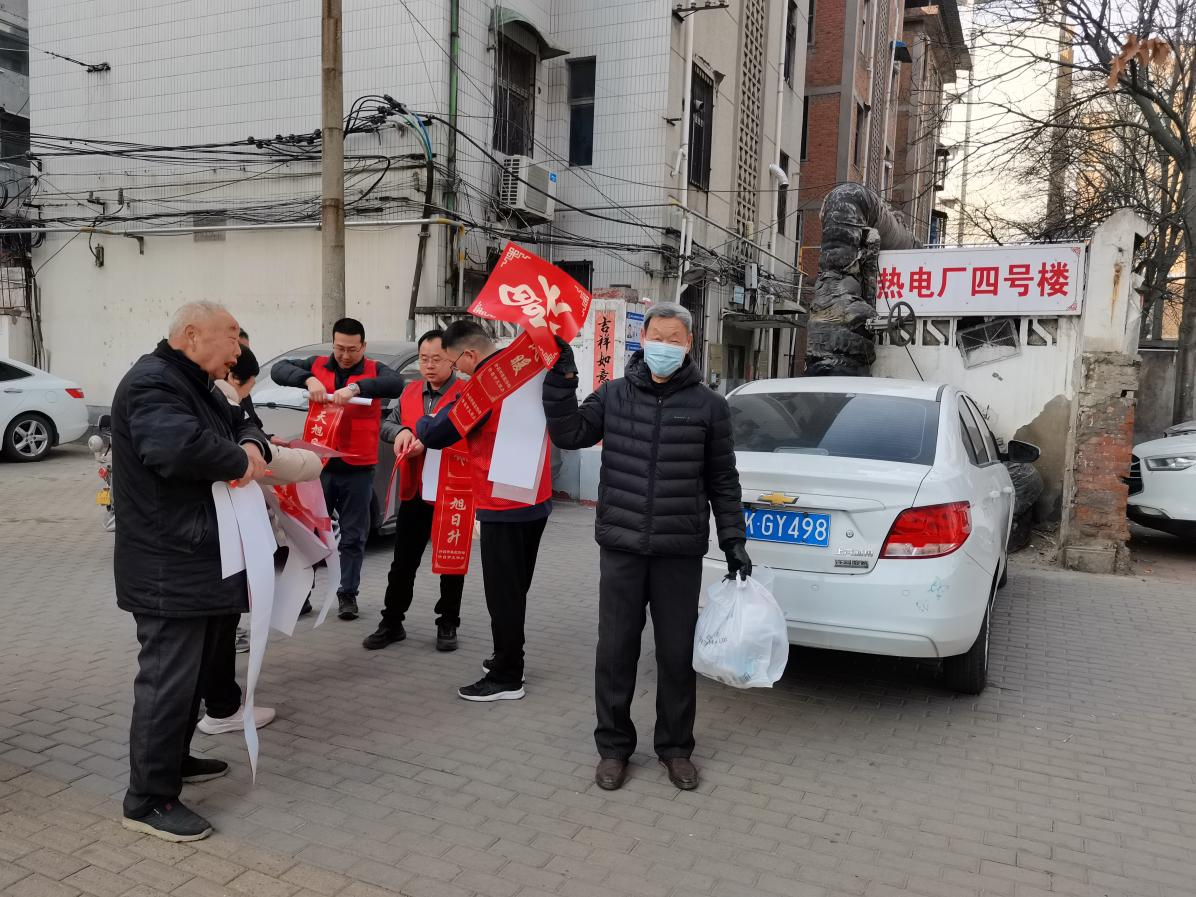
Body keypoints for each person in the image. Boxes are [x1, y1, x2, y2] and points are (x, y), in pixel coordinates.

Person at [541, 302, 751, 793]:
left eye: (674, 339)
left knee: (676, 654)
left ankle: (675, 748)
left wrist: (734, 540)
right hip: (623, 545)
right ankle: (614, 748)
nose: (664, 347)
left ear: (688, 344)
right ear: (643, 340)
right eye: (657, 337)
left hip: (679, 550)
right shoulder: (613, 396)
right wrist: (562, 378)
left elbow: (723, 480)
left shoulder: (709, 406)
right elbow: (569, 432)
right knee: (616, 652)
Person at [112, 300, 271, 842]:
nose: (239, 351)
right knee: (167, 681)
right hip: (169, 562)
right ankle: (148, 799)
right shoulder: (152, 383)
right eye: (231, 336)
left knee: (192, 677)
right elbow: (175, 448)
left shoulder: (200, 384)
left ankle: (174, 762)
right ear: (191, 334)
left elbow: (245, 420)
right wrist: (240, 460)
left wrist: (248, 443)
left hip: (202, 557)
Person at [415, 321, 552, 701]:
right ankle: (505, 657)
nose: (455, 369)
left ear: (470, 354)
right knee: (515, 588)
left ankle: (508, 676)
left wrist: (424, 420)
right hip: (535, 497)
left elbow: (437, 433)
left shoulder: (485, 385)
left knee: (503, 594)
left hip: (501, 504)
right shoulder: (526, 370)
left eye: (453, 362)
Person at [196, 345, 322, 736]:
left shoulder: (190, 396)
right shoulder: (216, 401)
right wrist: (311, 461)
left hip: (191, 541)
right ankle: (221, 709)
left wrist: (259, 441)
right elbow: (262, 463)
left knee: (203, 631)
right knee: (216, 626)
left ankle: (208, 702)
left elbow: (250, 435)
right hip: (215, 539)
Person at [270, 318, 404, 620]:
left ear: (363, 347)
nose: (345, 355)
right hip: (319, 466)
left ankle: (347, 594)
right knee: (308, 533)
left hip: (358, 466)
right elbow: (279, 370)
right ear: (333, 344)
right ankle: (302, 595)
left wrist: (356, 387)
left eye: (352, 349)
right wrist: (309, 380)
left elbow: (395, 384)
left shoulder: (375, 370)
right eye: (340, 348)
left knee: (354, 535)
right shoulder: (317, 366)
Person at [366, 329, 467, 653]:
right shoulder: (410, 393)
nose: (429, 365)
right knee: (403, 562)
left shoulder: (466, 393)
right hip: (415, 491)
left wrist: (433, 438)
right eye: (424, 359)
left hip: (452, 492)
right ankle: (391, 622)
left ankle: (448, 622)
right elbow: (387, 424)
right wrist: (403, 432)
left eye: (436, 359)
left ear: (452, 360)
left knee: (451, 562)